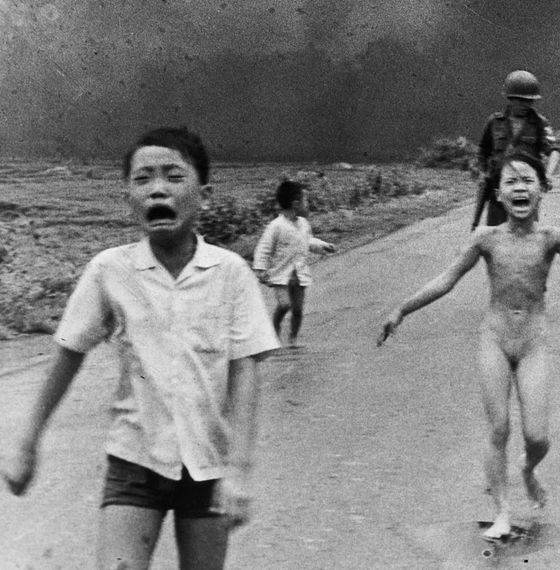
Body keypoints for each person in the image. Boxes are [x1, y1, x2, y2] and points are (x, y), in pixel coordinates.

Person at [1, 127, 280, 568]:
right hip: (135, 460)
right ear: (128, 197)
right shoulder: (110, 270)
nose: (157, 189)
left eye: (172, 176)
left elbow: (246, 371)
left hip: (207, 466)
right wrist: (26, 442)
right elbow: (68, 353)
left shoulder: (231, 273)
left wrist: (239, 472)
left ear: (204, 195)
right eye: (142, 179)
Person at [378, 152, 560, 541]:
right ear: (499, 194)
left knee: (538, 436)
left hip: (532, 344)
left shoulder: (552, 238)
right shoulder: (486, 239)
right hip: (494, 339)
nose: (520, 187)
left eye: (528, 180)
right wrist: (401, 310)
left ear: (542, 191)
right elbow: (445, 280)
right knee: (498, 428)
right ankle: (502, 512)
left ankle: (528, 470)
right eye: (511, 181)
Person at [472, 70, 560, 231]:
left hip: (526, 189)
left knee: (526, 233)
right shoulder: (494, 122)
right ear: (510, 98)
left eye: (529, 101)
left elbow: (554, 151)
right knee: (495, 233)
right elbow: (482, 151)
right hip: (499, 189)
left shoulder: (540, 123)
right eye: (520, 100)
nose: (525, 104)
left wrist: (548, 175)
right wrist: (483, 173)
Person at [253, 179, 337, 348]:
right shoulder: (276, 226)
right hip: (281, 275)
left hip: (299, 275)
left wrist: (322, 246)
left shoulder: (304, 224)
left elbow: (308, 241)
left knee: (297, 309)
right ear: (296, 204)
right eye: (306, 202)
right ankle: (274, 328)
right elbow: (264, 247)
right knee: (285, 305)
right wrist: (260, 269)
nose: (308, 206)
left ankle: (293, 338)